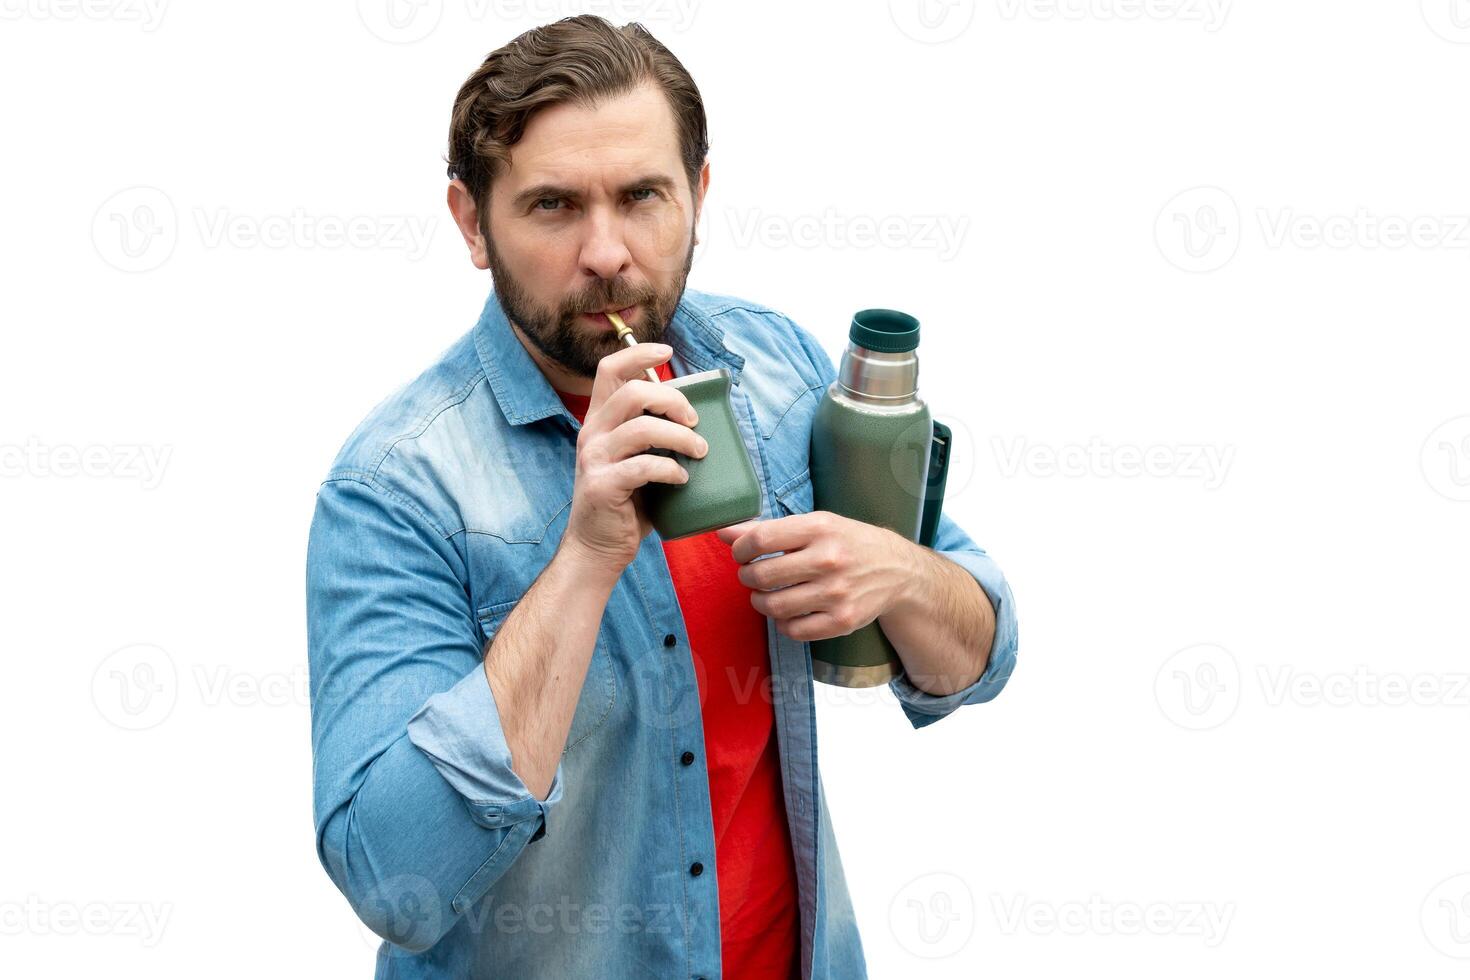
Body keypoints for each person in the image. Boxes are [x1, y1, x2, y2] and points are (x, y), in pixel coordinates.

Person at [305, 15, 1018, 979]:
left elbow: (979, 656)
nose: (607, 252)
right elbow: (393, 881)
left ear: (700, 194)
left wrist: (903, 574)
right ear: (474, 224)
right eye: (554, 206)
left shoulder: (775, 368)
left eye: (642, 195)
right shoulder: (395, 488)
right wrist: (586, 558)